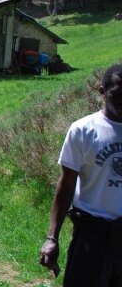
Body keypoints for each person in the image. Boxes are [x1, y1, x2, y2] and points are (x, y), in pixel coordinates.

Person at [39, 64, 122, 285]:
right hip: (91, 234)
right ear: (102, 91)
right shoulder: (84, 130)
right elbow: (66, 185)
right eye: (117, 95)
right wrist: (52, 237)